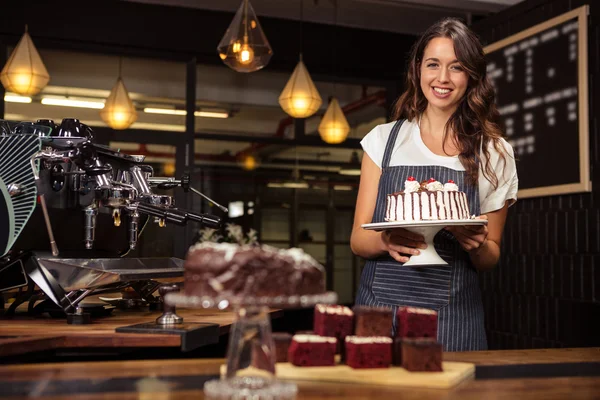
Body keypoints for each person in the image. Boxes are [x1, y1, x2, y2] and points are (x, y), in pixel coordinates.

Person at [350, 18, 518, 351]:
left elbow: (491, 256)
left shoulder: (494, 151)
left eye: (456, 67)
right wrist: (386, 240)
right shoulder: (383, 140)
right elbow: (358, 240)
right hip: (379, 311)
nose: (442, 78)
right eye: (433, 65)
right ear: (418, 70)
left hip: (454, 316)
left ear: (471, 76)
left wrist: (476, 244)